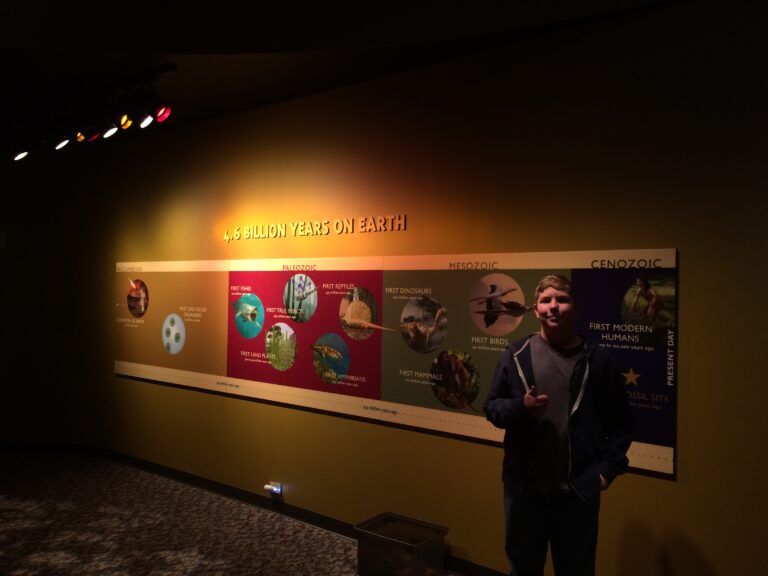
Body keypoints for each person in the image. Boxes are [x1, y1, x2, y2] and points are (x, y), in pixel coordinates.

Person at [483, 274, 634, 576]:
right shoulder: (515, 355)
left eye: (562, 299)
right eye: (546, 300)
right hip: (524, 492)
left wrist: (607, 470)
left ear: (575, 308)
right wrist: (521, 407)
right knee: (523, 569)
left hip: (577, 493)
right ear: (536, 309)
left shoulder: (598, 359)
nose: (553, 306)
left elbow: (622, 423)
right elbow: (492, 408)